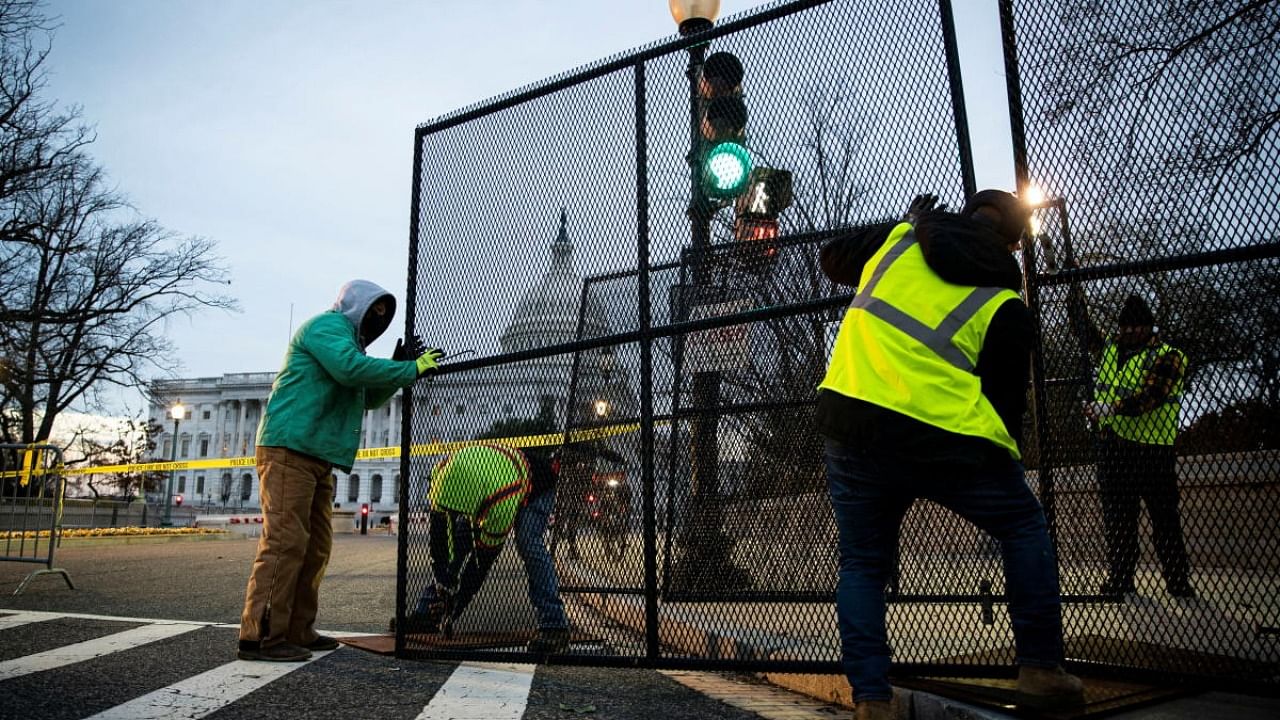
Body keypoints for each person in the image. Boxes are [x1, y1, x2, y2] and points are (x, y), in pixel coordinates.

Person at [817, 190, 1083, 718]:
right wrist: (1001, 460)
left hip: (853, 422)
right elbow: (1006, 406)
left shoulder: (898, 240)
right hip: (945, 438)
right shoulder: (1007, 303)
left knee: (863, 565)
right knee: (1022, 526)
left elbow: (832, 256)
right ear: (1012, 243)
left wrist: (911, 221)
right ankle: (1040, 670)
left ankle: (872, 700)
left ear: (966, 217)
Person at [237, 279, 443, 662]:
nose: (376, 323)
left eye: (382, 317)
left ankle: (298, 628)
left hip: (316, 454)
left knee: (315, 547)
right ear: (356, 307)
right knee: (285, 542)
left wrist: (400, 370)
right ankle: (262, 634)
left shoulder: (350, 346)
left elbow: (367, 398)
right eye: (373, 313)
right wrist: (409, 369)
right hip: (289, 447)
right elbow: (350, 371)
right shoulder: (326, 328)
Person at [1069, 292, 1193, 599]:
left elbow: (1153, 396)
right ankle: (1121, 579)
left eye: (1138, 327)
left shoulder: (1168, 355)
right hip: (1115, 447)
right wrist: (1074, 286)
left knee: (1164, 519)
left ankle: (1177, 580)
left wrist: (1108, 408)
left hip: (1152, 450)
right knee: (1119, 520)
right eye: (1127, 327)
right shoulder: (1111, 349)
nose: (1131, 332)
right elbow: (1082, 327)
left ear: (1150, 328)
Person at [400, 442, 571, 653]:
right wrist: (443, 581)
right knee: (460, 538)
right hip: (491, 479)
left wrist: (456, 605)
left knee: (529, 543)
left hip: (535, 485)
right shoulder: (441, 477)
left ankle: (554, 626)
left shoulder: (501, 501)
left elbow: (480, 563)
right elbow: (440, 539)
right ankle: (427, 615)